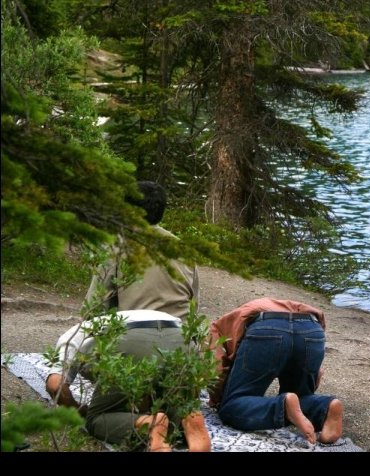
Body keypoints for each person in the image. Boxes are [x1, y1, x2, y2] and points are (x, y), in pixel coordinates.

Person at [45, 309, 211, 451]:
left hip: (130, 339)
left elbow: (55, 386)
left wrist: (79, 411)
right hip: (181, 337)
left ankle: (150, 423)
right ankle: (188, 417)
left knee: (97, 419)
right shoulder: (113, 319)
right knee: (174, 403)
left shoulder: (71, 338)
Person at [208, 298, 343, 445]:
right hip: (312, 328)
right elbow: (317, 369)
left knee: (231, 406)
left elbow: (217, 367)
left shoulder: (219, 326)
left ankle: (284, 406)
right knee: (301, 396)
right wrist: (313, 377)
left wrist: (217, 399)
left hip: (267, 329)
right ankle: (325, 407)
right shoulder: (255, 309)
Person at [84, 181, 199, 320]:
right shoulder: (184, 248)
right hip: (180, 334)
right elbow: (194, 305)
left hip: (134, 330)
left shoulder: (117, 244)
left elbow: (94, 305)